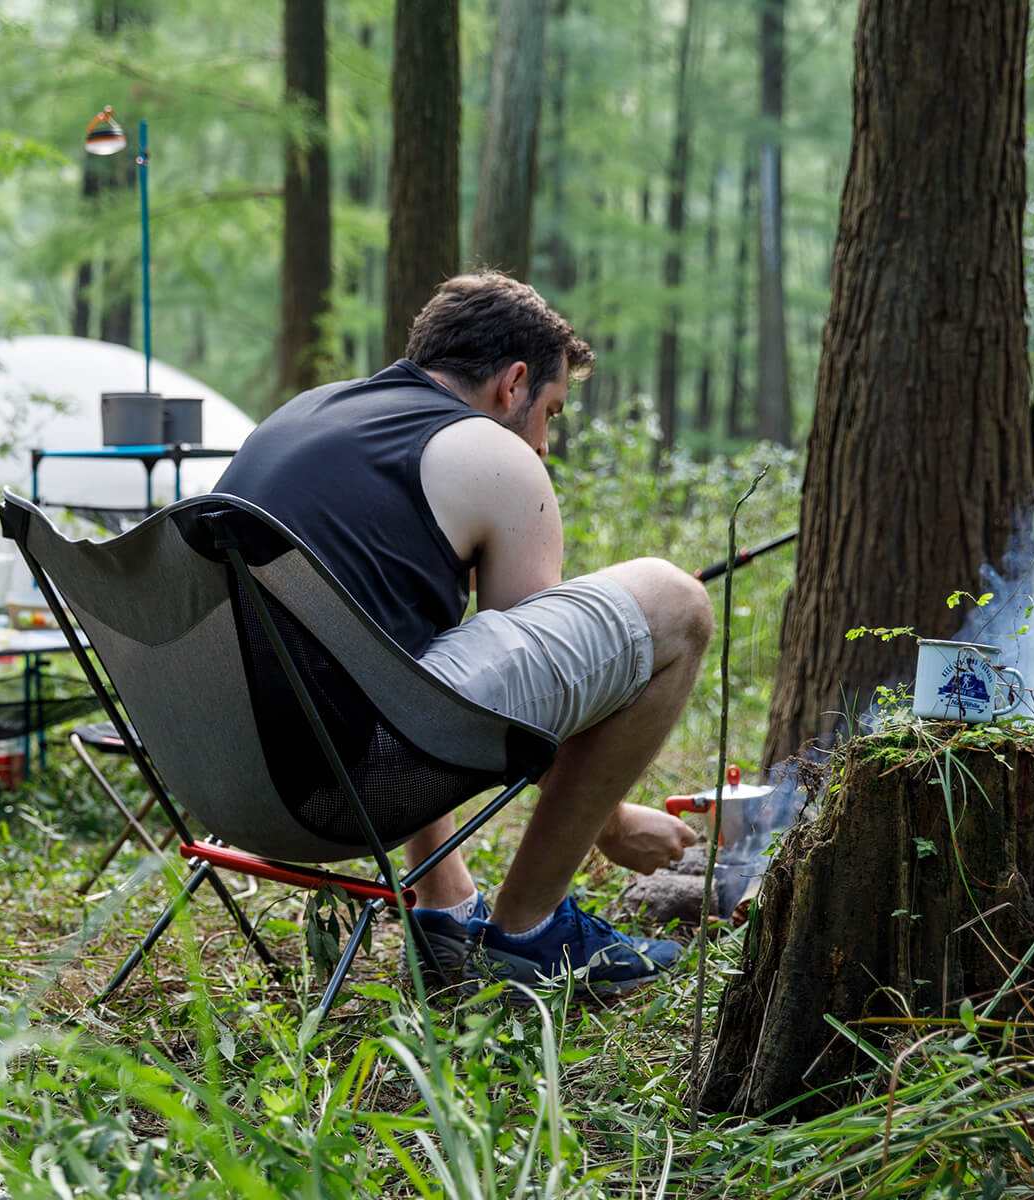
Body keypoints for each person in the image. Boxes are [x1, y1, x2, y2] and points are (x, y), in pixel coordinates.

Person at [216, 273, 712, 996]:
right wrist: (611, 823)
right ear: (513, 385)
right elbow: (537, 709)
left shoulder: (307, 415)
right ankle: (531, 932)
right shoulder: (490, 450)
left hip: (229, 785)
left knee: (409, 650)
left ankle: (444, 909)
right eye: (551, 410)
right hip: (345, 789)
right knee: (676, 602)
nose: (544, 444)